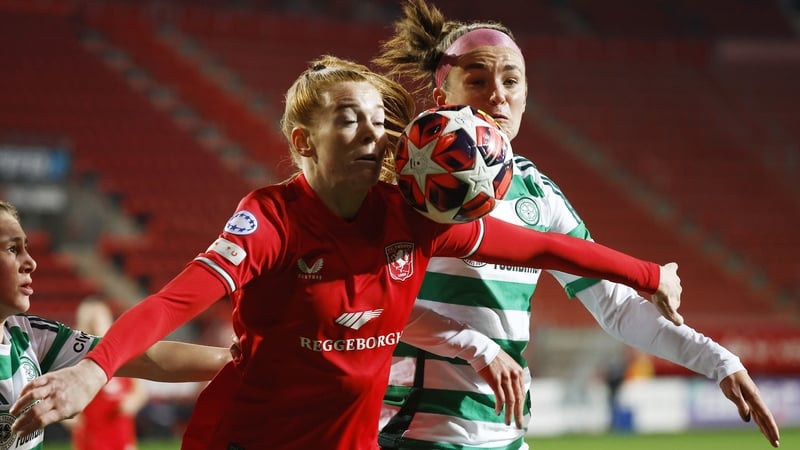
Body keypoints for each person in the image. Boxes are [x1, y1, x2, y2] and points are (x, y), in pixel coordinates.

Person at [9, 55, 684, 450]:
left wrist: (650, 274)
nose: (374, 131)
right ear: (304, 143)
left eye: (377, 116)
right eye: (347, 117)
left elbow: (538, 244)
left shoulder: (408, 220)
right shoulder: (270, 219)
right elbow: (175, 300)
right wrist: (91, 373)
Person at [372, 1, 780, 449]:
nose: (499, 95)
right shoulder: (404, 188)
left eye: (512, 81)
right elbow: (362, 303)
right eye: (477, 80)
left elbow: (617, 307)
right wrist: (475, 345)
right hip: (420, 435)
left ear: (527, 95)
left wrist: (718, 360)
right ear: (443, 99)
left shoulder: (538, 194)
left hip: (506, 436)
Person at [0, 200, 232, 449]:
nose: (31, 262)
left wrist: (239, 359)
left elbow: (147, 360)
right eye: (13, 249)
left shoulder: (31, 336)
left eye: (26, 247)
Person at [66, 297, 148, 450]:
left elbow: (139, 392)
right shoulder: (74, 357)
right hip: (89, 436)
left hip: (120, 434)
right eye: (92, 320)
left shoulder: (123, 353)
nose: (96, 326)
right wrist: (70, 418)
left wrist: (131, 402)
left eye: (99, 320)